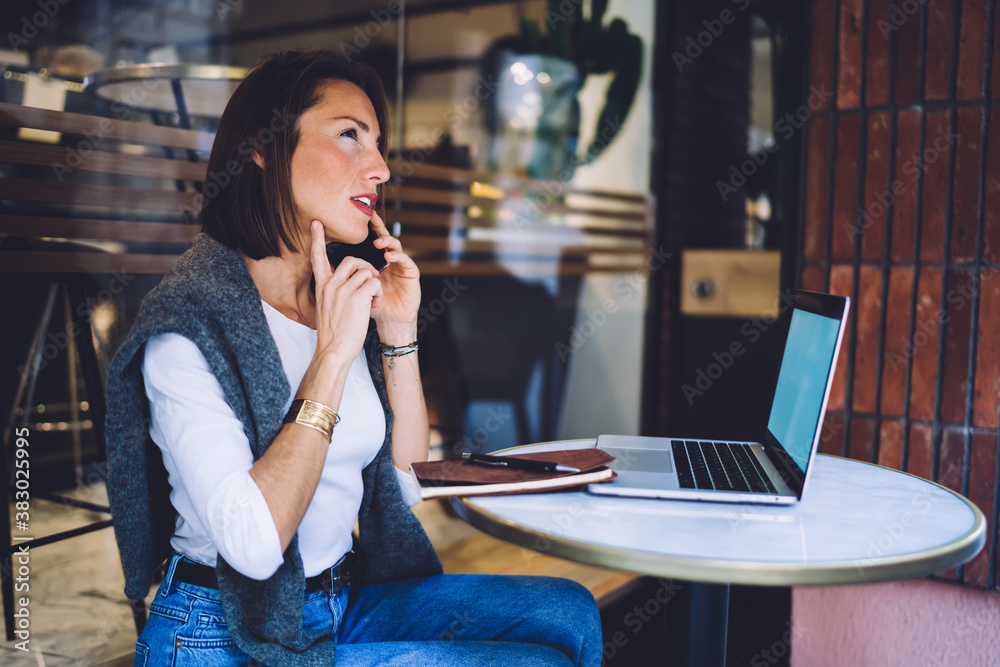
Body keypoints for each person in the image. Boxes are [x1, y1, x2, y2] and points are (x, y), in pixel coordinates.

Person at [104, 49, 602, 666]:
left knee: (569, 613)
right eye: (349, 136)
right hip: (224, 629)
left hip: (341, 598)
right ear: (263, 147)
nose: (380, 169)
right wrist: (333, 355)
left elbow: (407, 481)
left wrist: (397, 331)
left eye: (378, 144)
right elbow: (253, 546)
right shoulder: (187, 322)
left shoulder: (335, 294)